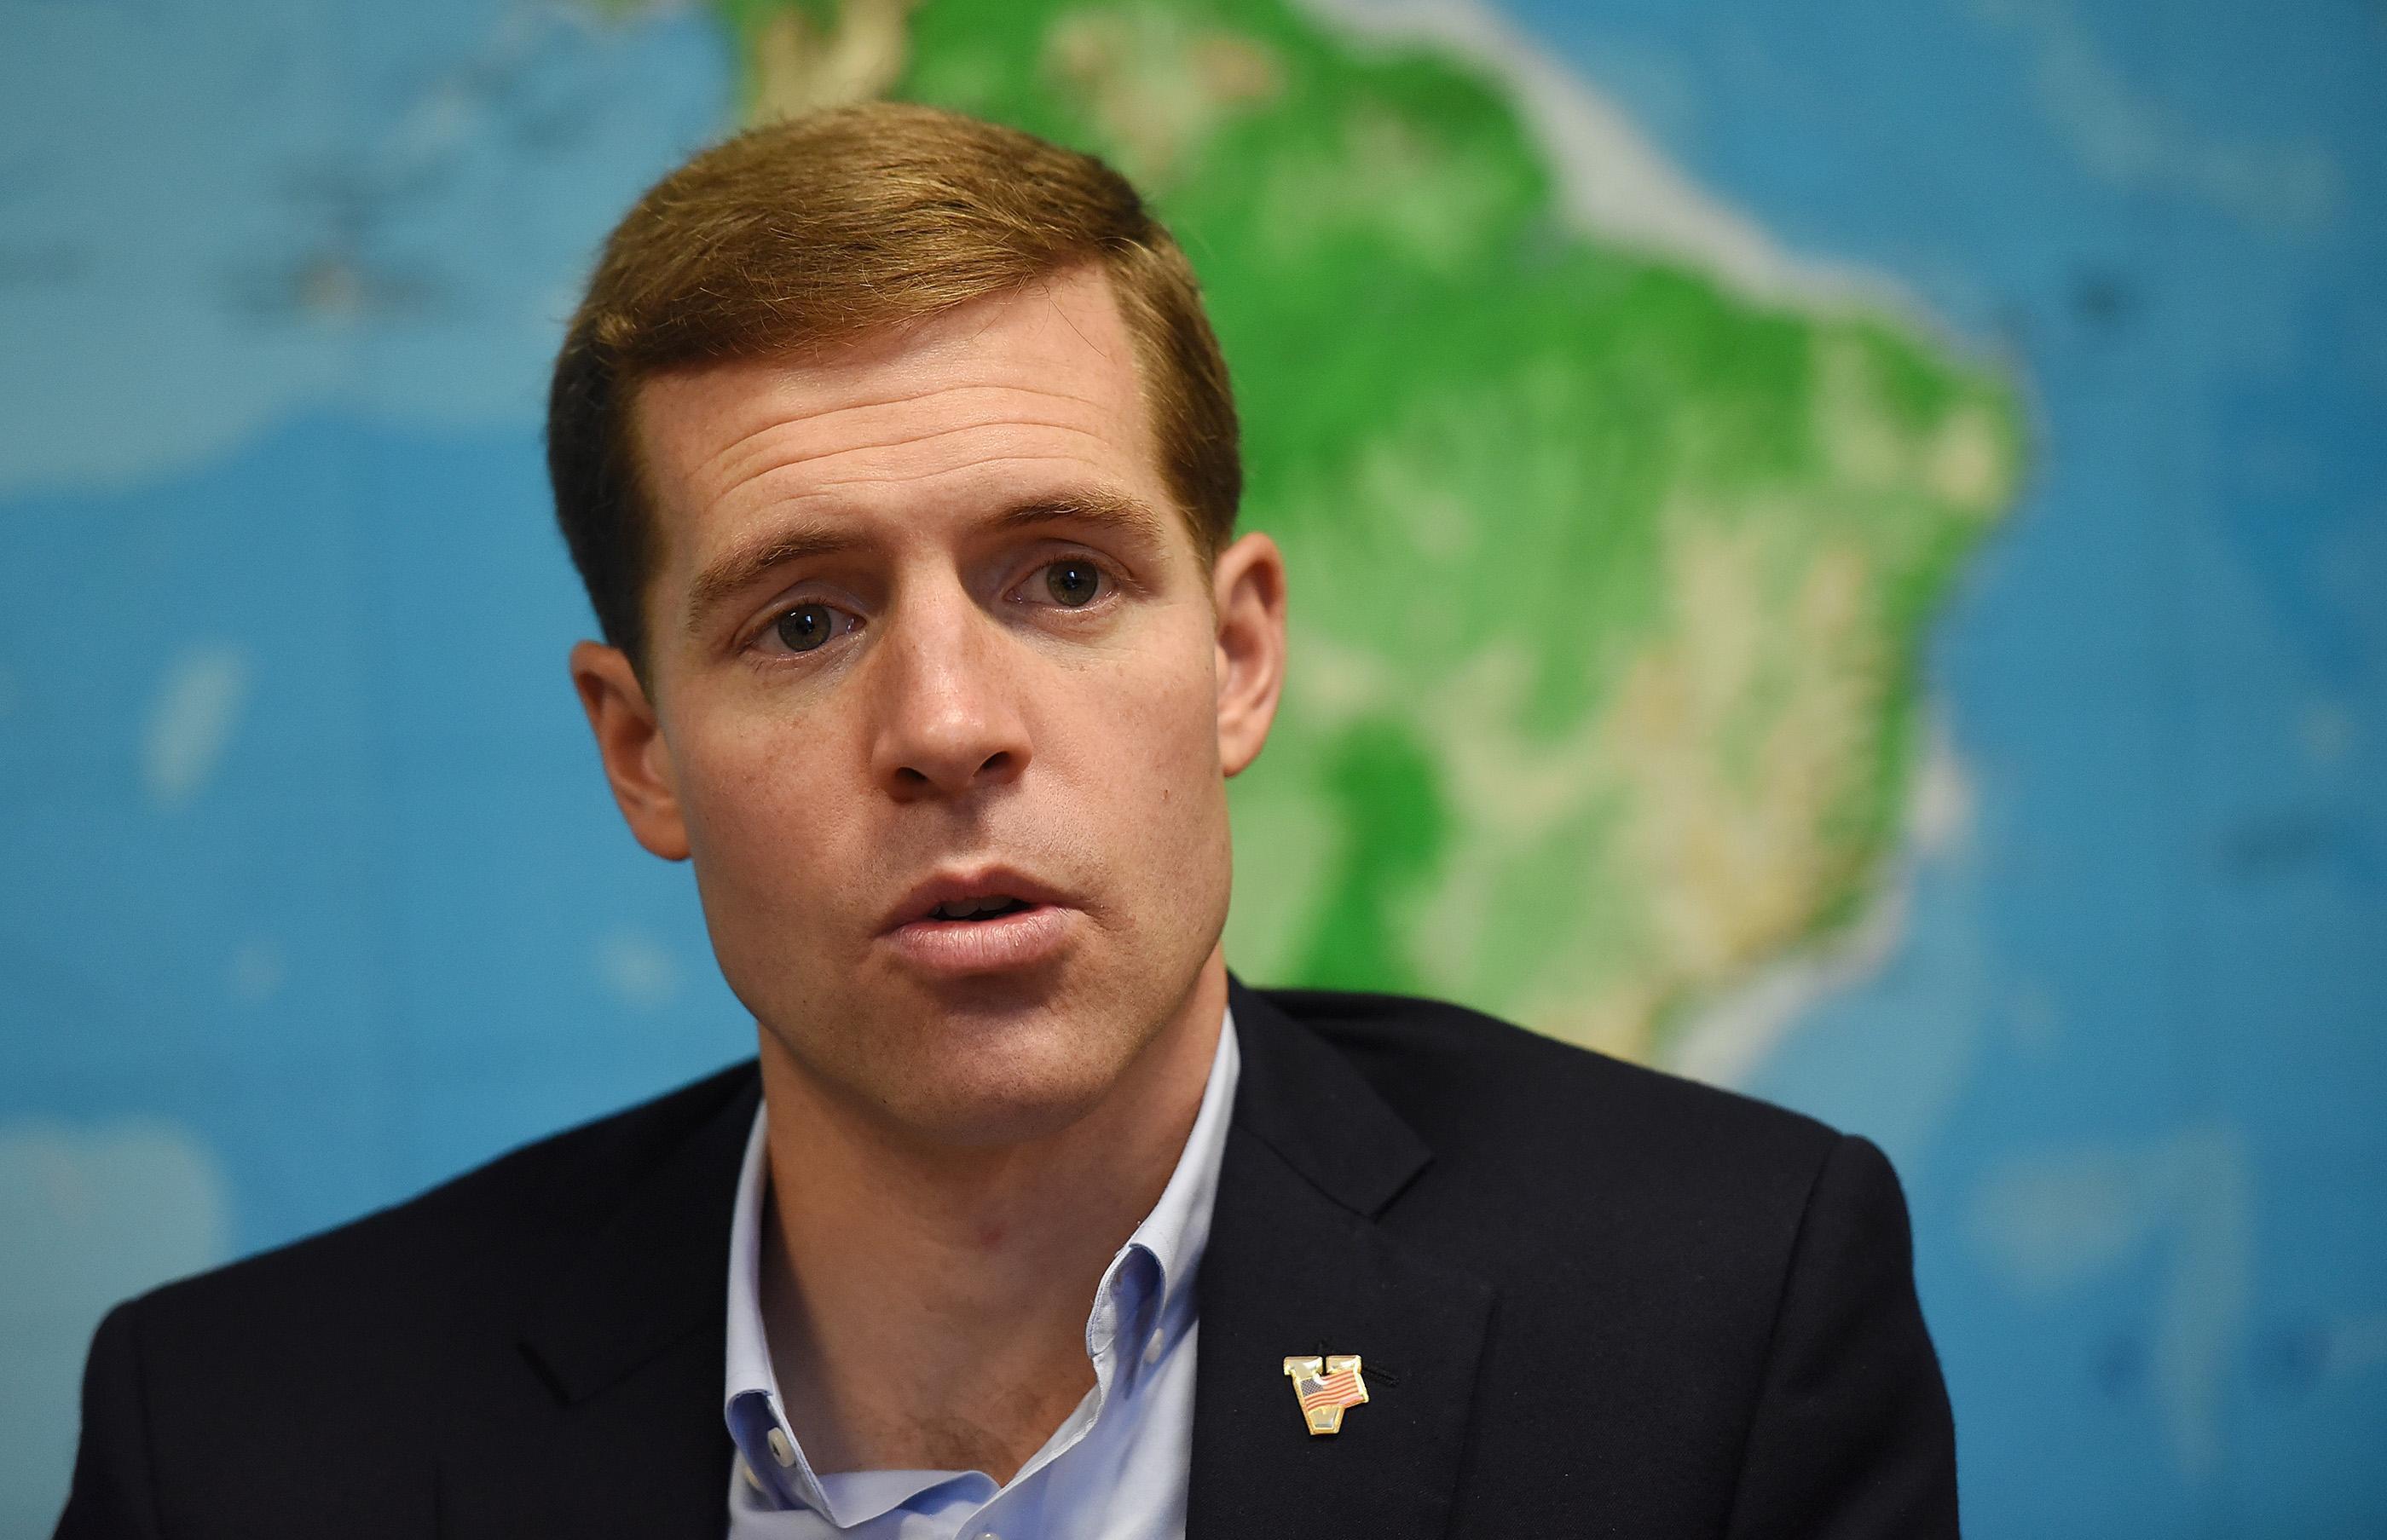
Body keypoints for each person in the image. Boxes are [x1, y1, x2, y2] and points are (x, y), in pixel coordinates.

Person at [55, 103, 1958, 1540]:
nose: (949, 727)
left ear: (1234, 658)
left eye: (1061, 579)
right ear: (643, 754)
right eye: (805, 621)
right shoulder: (242, 1450)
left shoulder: (1713, 1316)